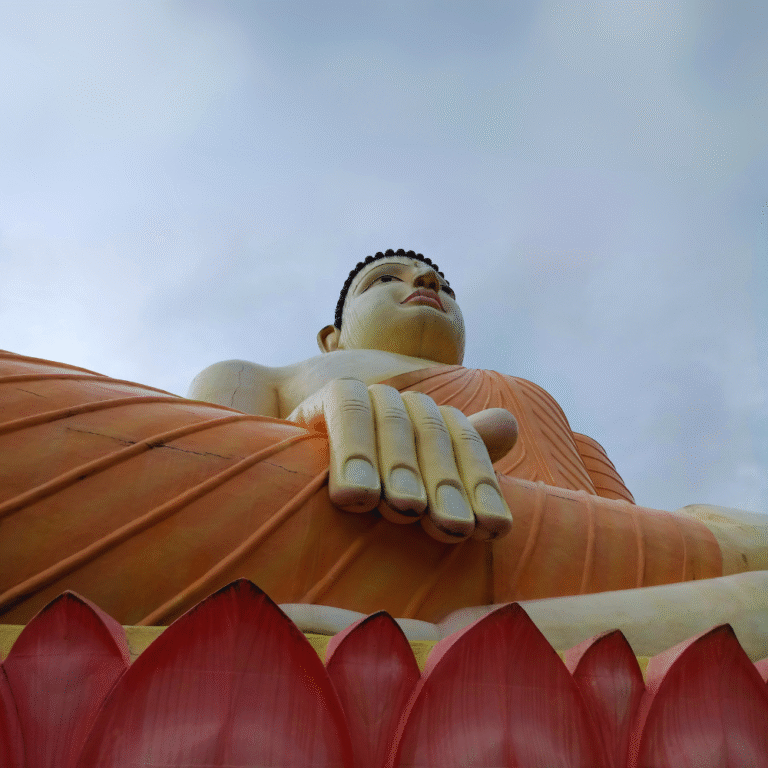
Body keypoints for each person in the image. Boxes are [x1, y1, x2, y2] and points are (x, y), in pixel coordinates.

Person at [187, 248, 768, 656]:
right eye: (386, 278)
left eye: (441, 283)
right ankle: (505, 643)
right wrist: (310, 430)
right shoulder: (259, 375)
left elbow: (643, 540)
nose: (425, 283)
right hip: (369, 525)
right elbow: (200, 481)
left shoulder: (555, 420)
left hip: (574, 551)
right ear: (332, 337)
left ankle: (460, 644)